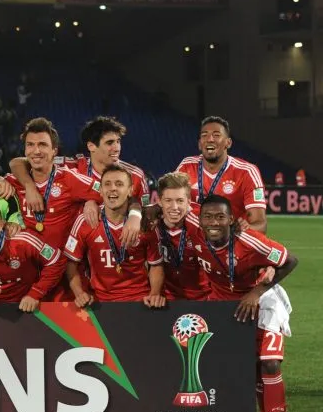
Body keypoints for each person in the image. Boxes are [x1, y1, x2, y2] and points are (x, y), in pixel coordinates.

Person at [198, 194, 298, 412]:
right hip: (228, 309)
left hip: (264, 303)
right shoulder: (196, 238)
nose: (214, 222)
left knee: (270, 364)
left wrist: (258, 290)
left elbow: (290, 260)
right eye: (208, 217)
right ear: (200, 219)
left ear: (232, 219)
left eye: (220, 217)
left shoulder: (250, 241)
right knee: (249, 370)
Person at [4, 117, 130, 251]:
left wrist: (91, 200)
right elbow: (14, 164)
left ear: (54, 151)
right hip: (25, 263)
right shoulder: (15, 180)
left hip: (60, 264)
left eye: (42, 144)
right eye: (30, 145)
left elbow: (107, 193)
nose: (36, 151)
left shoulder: (69, 178)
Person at [64, 164, 166, 306]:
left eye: (119, 184)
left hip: (139, 299)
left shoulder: (145, 223)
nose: (112, 188)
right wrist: (79, 293)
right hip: (100, 302)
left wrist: (154, 293)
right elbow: (71, 264)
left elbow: (156, 265)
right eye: (107, 184)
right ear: (100, 190)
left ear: (130, 190)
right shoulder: (85, 221)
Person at [0, 201, 65, 312]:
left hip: (31, 306)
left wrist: (36, 293)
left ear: (2, 224)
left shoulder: (23, 240)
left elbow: (57, 261)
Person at [176, 116, 267, 232]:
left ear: (228, 143)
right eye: (204, 135)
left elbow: (260, 224)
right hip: (195, 241)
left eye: (216, 135)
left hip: (230, 242)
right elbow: (168, 204)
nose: (210, 139)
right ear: (199, 144)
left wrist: (238, 231)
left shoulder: (246, 172)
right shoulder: (186, 166)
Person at [50, 117, 150, 206]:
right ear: (91, 146)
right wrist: (33, 189)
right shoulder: (74, 166)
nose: (117, 148)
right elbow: (41, 162)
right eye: (109, 143)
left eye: (118, 141)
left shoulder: (135, 175)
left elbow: (147, 209)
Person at [153, 172, 207, 300]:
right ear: (159, 201)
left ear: (189, 202)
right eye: (168, 200)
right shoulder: (150, 225)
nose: (174, 207)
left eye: (180, 201)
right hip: (166, 301)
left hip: (204, 299)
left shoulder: (202, 225)